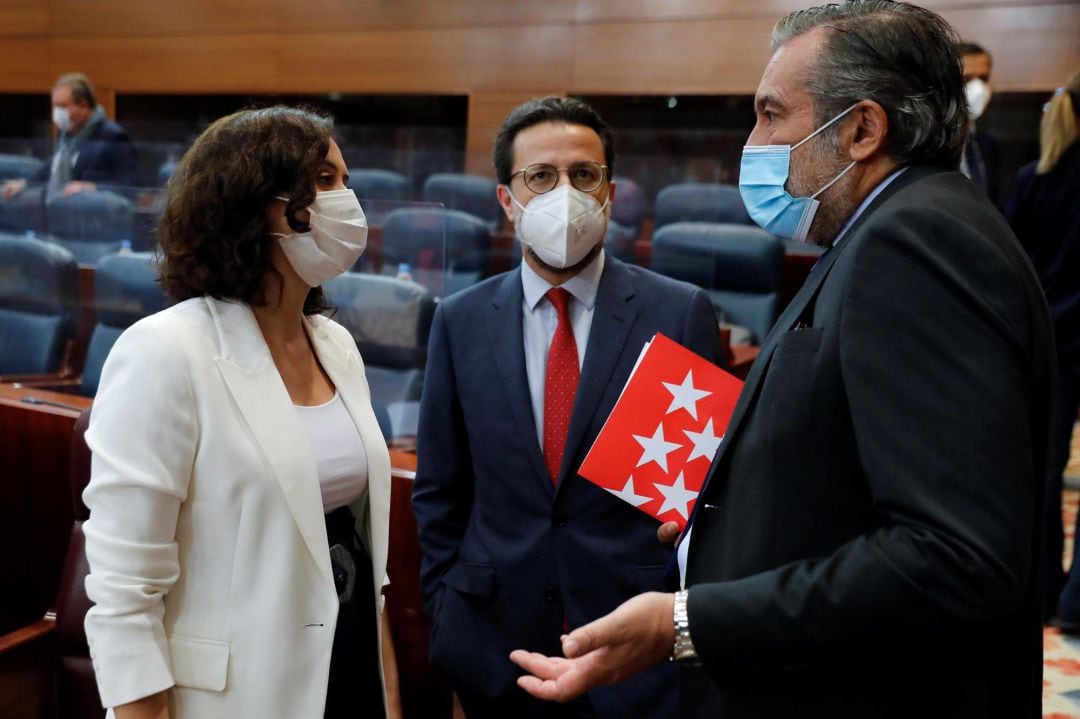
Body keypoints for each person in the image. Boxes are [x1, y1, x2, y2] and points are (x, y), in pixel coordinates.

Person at [510, 3, 1054, 718]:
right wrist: (728, 509)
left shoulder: (915, 243)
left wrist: (684, 621)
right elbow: (860, 471)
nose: (754, 142)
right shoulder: (893, 230)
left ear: (862, 129)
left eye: (771, 115)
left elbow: (952, 556)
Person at [82, 106, 401, 719]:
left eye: (347, 180)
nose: (349, 201)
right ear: (256, 205)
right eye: (327, 182)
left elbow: (362, 546)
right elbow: (125, 593)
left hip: (347, 663)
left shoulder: (335, 345)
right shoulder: (165, 351)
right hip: (232, 694)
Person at [412, 96, 723, 719]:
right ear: (507, 200)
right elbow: (441, 492)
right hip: (494, 651)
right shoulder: (460, 319)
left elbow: (703, 502)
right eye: (541, 177)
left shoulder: (677, 312)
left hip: (635, 659)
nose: (566, 193)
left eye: (584, 175)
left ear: (608, 191)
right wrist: (449, 613)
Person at [1005, 70, 1080, 627]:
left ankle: (1048, 594)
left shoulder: (1035, 177)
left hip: (1050, 345)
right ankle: (1079, 602)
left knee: (1045, 474)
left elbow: (1010, 266)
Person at [2, 72, 137, 199]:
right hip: (59, 208)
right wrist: (25, 183)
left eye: (63, 106)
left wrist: (92, 187)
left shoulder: (113, 136)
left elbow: (128, 186)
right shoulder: (66, 132)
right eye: (55, 107)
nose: (57, 113)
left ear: (84, 107)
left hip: (92, 215)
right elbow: (53, 166)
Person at [958, 41, 1002, 205]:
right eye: (966, 79)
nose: (977, 88)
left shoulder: (988, 144)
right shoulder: (929, 144)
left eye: (983, 78)